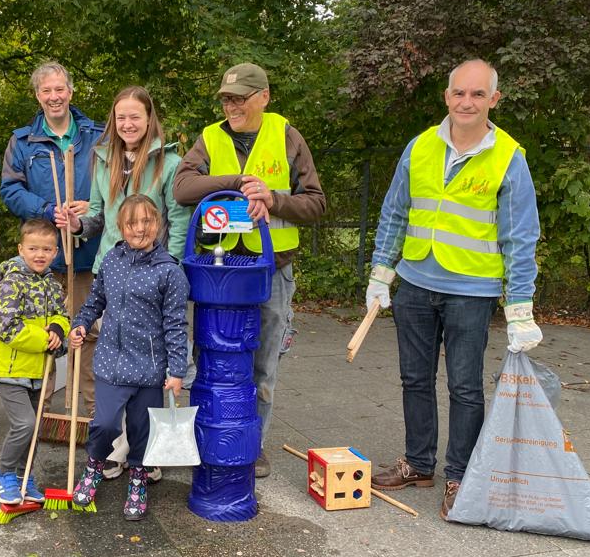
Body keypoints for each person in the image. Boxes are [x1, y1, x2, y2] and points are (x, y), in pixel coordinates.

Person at [365, 58, 542, 521]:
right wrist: (381, 273)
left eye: (478, 94)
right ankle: (418, 463)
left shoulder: (508, 156)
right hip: (417, 283)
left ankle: (460, 474)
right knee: (414, 379)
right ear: (447, 96)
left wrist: (520, 306)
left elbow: (519, 237)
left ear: (494, 100)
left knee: (465, 387)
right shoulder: (420, 146)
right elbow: (395, 213)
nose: (467, 102)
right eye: (459, 93)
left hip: (472, 289)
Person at [173, 63, 326, 477]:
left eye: (240, 98)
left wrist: (274, 199)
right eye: (226, 98)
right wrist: (235, 181)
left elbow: (316, 202)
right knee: (212, 358)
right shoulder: (210, 138)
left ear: (264, 96)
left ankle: (250, 445)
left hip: (269, 272)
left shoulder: (289, 137)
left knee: (262, 365)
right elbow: (182, 188)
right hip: (218, 275)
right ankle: (207, 436)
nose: (232, 105)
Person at [56, 85, 190, 481]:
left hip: (154, 273)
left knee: (154, 357)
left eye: (135, 116)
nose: (128, 124)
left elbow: (178, 220)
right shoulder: (102, 160)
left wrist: (175, 267)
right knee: (111, 356)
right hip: (111, 268)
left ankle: (147, 454)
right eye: (121, 117)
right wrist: (78, 224)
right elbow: (97, 215)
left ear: (149, 119)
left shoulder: (171, 162)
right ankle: (114, 449)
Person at [68, 195, 189, 520]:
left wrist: (177, 370)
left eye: (147, 221)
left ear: (158, 224)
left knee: (142, 429)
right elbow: (95, 300)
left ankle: (138, 477)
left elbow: (176, 324)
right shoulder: (111, 260)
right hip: (111, 362)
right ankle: (94, 466)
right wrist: (80, 323)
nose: (140, 228)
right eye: (132, 222)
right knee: (104, 423)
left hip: (149, 369)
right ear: (121, 227)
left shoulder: (170, 272)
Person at [0, 62, 104, 416]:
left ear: (71, 92)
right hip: (41, 257)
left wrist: (91, 205)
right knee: (42, 333)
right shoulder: (22, 141)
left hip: (86, 254)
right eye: (47, 90)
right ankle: (36, 417)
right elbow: (10, 189)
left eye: (60, 89)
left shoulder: (97, 137)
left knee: (86, 334)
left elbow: (114, 183)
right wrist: (46, 208)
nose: (54, 96)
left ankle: (87, 416)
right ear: (37, 95)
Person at [0, 219, 69, 504]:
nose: (39, 254)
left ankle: (23, 477)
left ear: (56, 252)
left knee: (34, 429)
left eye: (47, 249)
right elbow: (5, 326)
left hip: (37, 370)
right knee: (25, 424)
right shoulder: (11, 283)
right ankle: (4, 475)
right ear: (21, 249)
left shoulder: (53, 286)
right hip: (8, 369)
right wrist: (44, 340)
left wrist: (58, 330)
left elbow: (62, 317)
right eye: (33, 248)